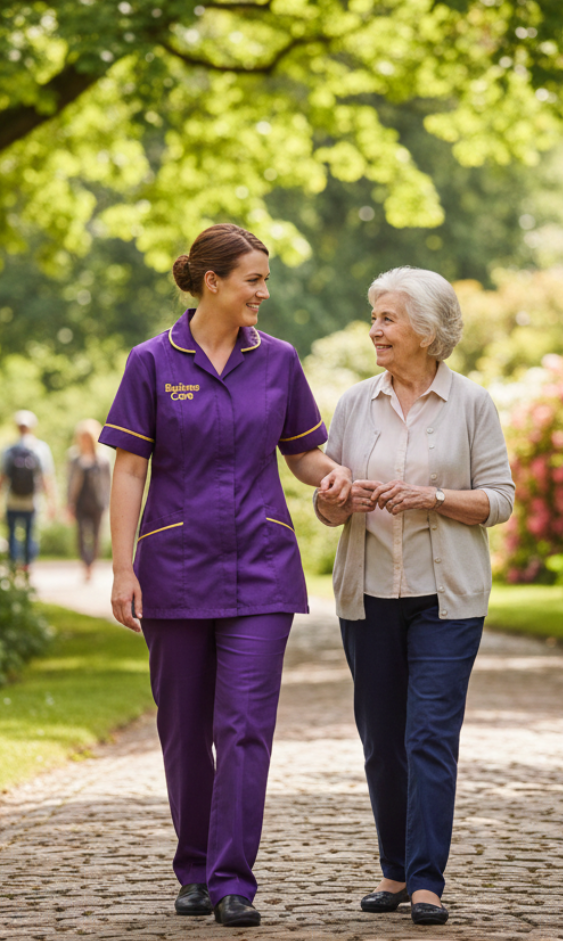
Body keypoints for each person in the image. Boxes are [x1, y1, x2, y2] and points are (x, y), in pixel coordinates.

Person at [99, 223, 351, 928]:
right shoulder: (152, 362)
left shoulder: (278, 361)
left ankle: (233, 879)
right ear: (212, 283)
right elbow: (129, 468)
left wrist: (336, 480)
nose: (263, 294)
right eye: (253, 281)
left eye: (264, 281)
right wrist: (123, 568)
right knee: (184, 727)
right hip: (174, 567)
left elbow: (304, 455)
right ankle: (195, 867)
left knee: (243, 727)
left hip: (262, 569)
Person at [314, 267, 515, 927]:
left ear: (427, 332)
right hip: (368, 594)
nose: (375, 329)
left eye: (388, 318)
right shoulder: (352, 405)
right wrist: (338, 498)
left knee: (429, 735)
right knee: (381, 741)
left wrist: (432, 498)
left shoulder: (472, 405)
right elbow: (328, 506)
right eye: (374, 316)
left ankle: (428, 881)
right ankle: (394, 871)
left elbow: (500, 502)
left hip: (447, 599)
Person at [0, 410, 58, 572]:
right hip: (31, 501)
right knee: (30, 534)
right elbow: (46, 478)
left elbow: (2, 478)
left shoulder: (8, 450)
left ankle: (14, 565)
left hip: (12, 499)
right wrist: (52, 502)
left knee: (12, 534)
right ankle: (27, 566)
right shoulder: (41, 449)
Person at [66, 419, 110, 582]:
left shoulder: (103, 459)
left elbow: (108, 483)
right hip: (80, 503)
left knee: (97, 536)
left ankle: (92, 566)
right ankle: (86, 565)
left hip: (98, 503)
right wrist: (68, 504)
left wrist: (108, 502)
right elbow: (69, 482)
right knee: (81, 535)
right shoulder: (74, 457)